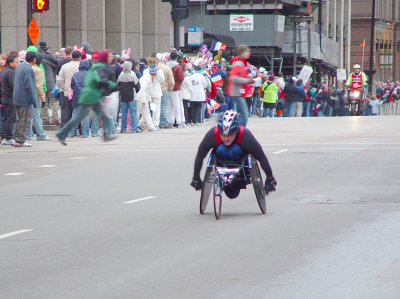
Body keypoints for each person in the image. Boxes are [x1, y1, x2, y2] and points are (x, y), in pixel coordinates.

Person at [191, 110, 277, 199]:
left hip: (240, 164)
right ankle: (224, 181)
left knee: (235, 150)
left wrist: (270, 177)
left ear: (236, 131)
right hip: (221, 161)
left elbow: (261, 157)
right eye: (223, 135)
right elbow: (200, 156)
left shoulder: (245, 136)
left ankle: (236, 181)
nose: (226, 138)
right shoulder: (212, 135)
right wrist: (196, 177)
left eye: (229, 135)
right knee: (221, 149)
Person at [56, 49, 117, 145]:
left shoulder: (98, 66)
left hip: (92, 96)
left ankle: (106, 134)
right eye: (109, 56)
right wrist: (112, 84)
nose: (111, 58)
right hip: (90, 96)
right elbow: (99, 81)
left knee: (104, 114)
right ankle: (61, 133)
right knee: (78, 117)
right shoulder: (100, 68)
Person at [12, 52, 38, 147]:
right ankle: (20, 140)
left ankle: (16, 138)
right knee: (25, 120)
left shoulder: (19, 67)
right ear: (34, 59)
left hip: (17, 97)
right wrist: (34, 101)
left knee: (19, 119)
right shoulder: (28, 69)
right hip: (25, 99)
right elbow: (30, 86)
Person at [226, 45, 254, 127]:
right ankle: (240, 131)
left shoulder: (239, 62)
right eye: (247, 51)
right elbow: (233, 78)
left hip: (237, 91)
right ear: (241, 53)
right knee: (245, 113)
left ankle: (238, 129)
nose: (249, 53)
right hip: (236, 91)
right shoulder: (238, 63)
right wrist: (249, 80)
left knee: (243, 112)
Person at [57, 50, 81, 128]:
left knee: (65, 112)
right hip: (79, 93)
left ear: (72, 57)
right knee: (78, 112)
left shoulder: (65, 66)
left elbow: (59, 80)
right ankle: (79, 129)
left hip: (67, 92)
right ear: (80, 58)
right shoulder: (81, 66)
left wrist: (64, 88)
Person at [139, 58, 165, 129]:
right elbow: (162, 80)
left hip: (148, 92)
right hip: (156, 92)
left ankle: (142, 122)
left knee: (146, 108)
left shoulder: (145, 71)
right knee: (156, 109)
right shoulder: (159, 71)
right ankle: (155, 123)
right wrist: (157, 74)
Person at [38, 41, 60, 125]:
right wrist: (58, 56)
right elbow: (58, 63)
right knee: (54, 101)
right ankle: (55, 119)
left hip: (40, 82)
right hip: (50, 82)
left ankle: (44, 119)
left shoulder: (37, 56)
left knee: (42, 101)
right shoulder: (49, 57)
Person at [117, 60, 141, 133]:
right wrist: (135, 92)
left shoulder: (120, 76)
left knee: (124, 114)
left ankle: (123, 128)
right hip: (132, 97)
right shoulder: (132, 75)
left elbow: (117, 86)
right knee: (133, 113)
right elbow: (138, 86)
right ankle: (134, 128)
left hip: (123, 97)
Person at [70, 60, 91, 138]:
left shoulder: (75, 75)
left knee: (74, 115)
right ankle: (85, 134)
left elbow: (72, 86)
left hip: (76, 96)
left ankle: (72, 133)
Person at [1, 55, 19, 145]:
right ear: (10, 63)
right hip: (9, 97)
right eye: (16, 62)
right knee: (10, 118)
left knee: (5, 118)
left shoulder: (4, 71)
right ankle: (8, 137)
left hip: (4, 97)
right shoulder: (10, 72)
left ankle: (4, 137)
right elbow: (13, 86)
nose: (18, 63)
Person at [166, 51, 185, 128]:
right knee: (177, 105)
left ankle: (169, 121)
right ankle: (179, 121)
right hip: (176, 87)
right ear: (177, 58)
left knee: (169, 106)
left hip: (167, 87)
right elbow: (181, 78)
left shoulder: (166, 66)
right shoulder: (178, 67)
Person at [157, 53, 175, 128]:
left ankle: (155, 122)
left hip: (155, 89)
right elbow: (172, 82)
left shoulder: (154, 68)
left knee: (156, 106)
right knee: (163, 106)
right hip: (164, 89)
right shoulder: (167, 69)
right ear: (164, 60)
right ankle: (163, 123)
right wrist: (170, 88)